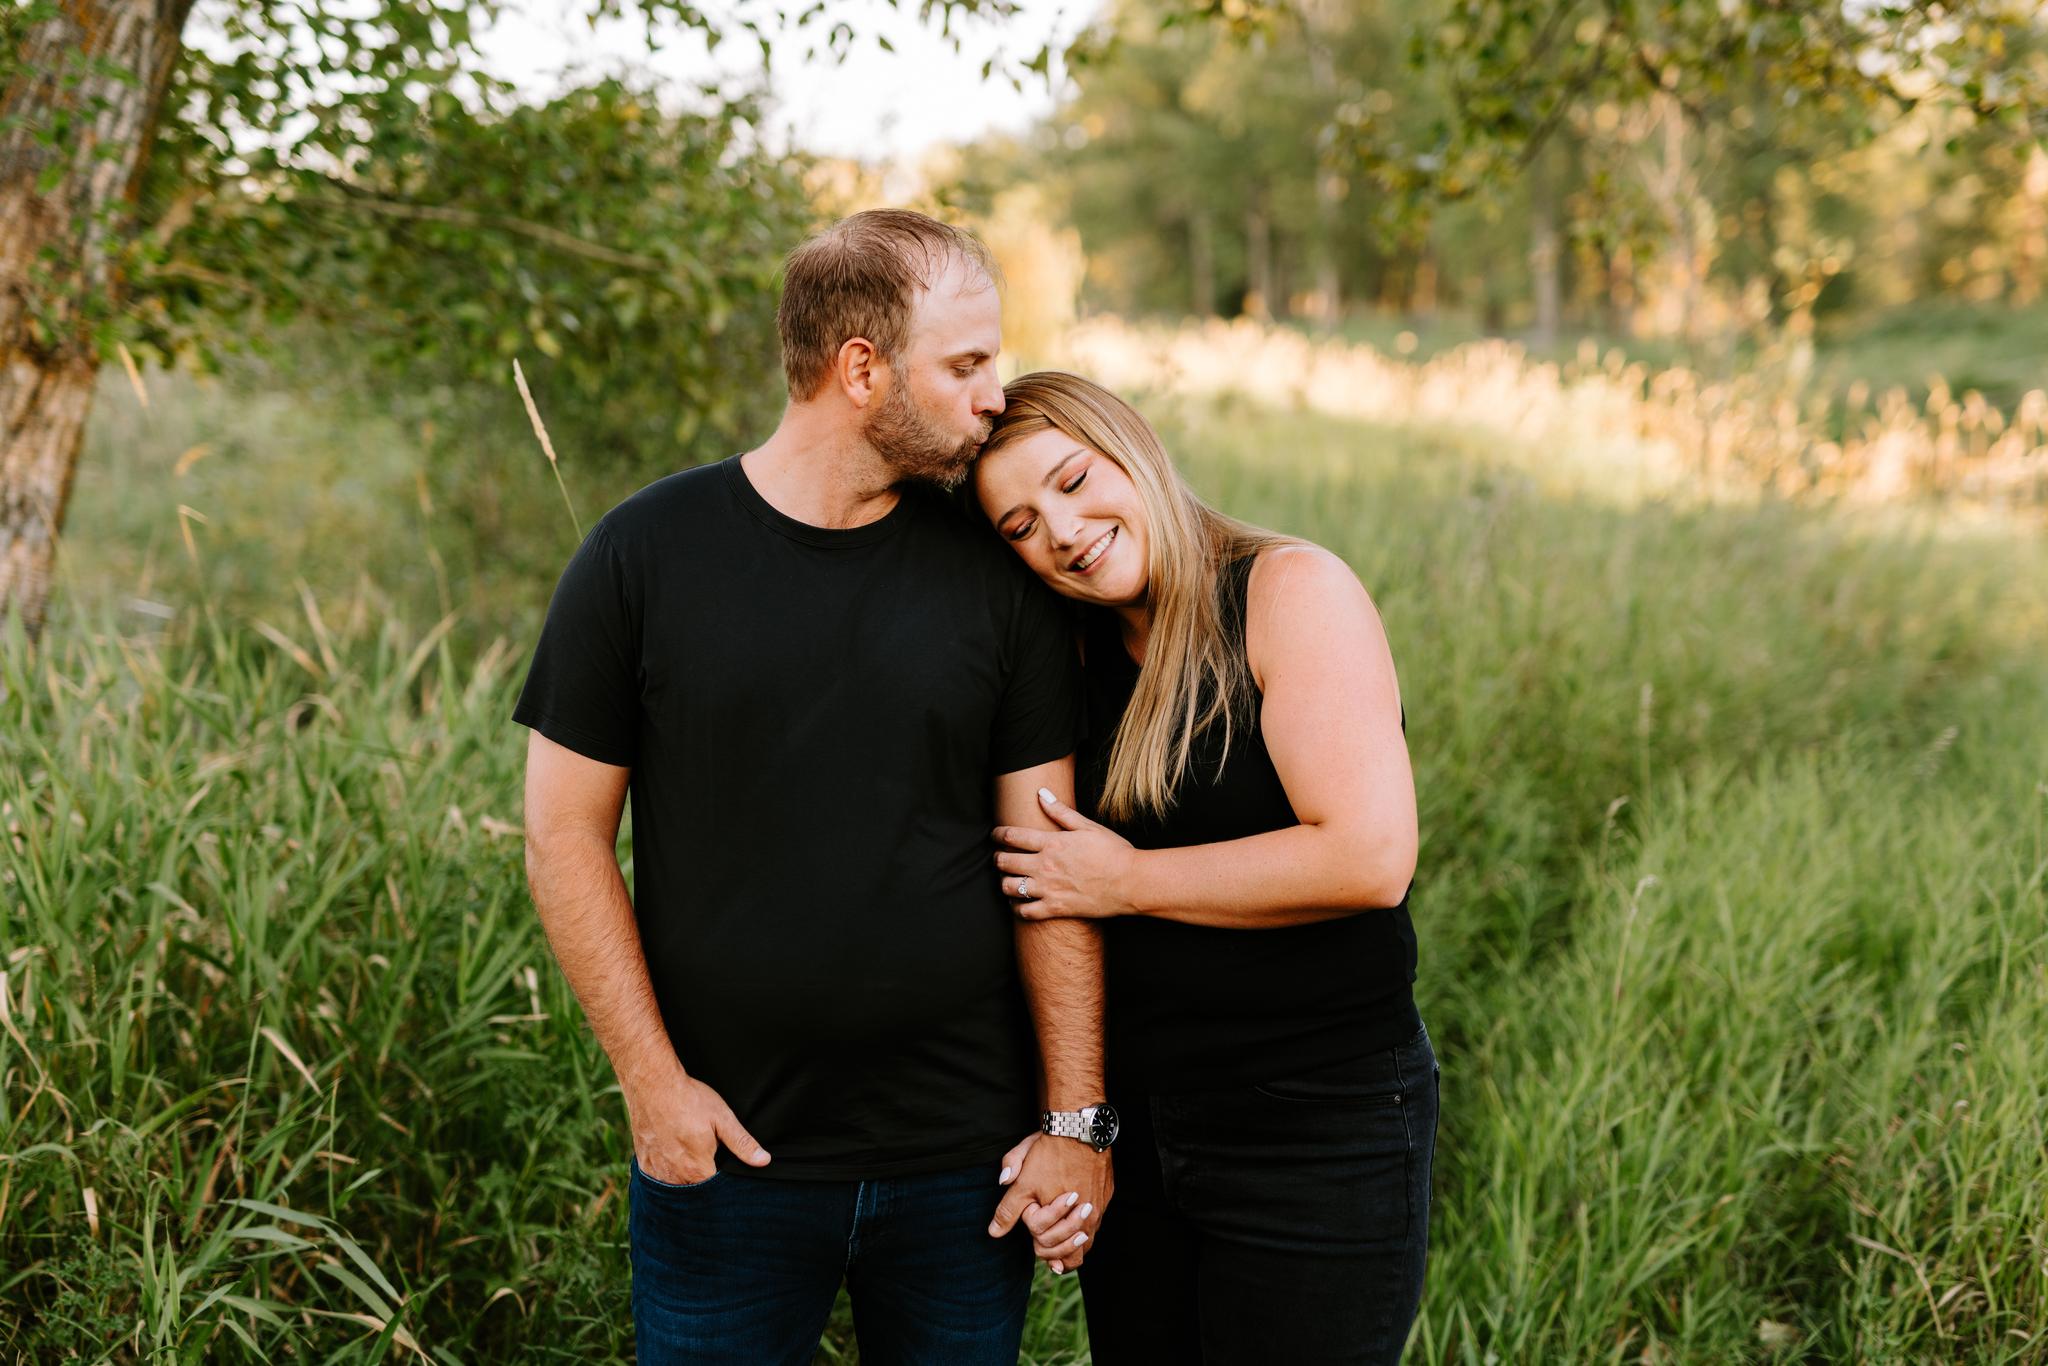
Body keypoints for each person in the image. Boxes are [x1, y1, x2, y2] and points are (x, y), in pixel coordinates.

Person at [513, 212, 1112, 1366]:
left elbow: (1051, 862)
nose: (997, 393)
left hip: (964, 1170)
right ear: (859, 367)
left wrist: (1073, 1121)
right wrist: (652, 1086)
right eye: (967, 364)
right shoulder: (640, 556)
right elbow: (563, 838)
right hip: (727, 1156)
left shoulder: (999, 574)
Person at [971, 371, 1435, 1365]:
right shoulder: (1067, 655)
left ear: (1129, 443)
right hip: (1141, 1124)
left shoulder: (1287, 591)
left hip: (1313, 1117)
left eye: (1071, 478)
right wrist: (1077, 1123)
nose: (1059, 528)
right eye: (1018, 524)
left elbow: (1366, 854)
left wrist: (1128, 879)